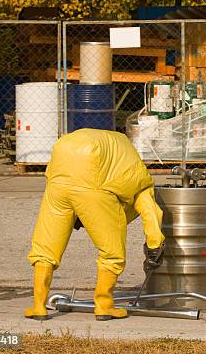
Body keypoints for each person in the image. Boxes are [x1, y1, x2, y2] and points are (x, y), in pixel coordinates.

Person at [24, 128, 165, 321]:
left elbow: (53, 175)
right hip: (94, 185)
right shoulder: (136, 175)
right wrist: (155, 244)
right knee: (111, 251)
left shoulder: (110, 147)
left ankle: (38, 306)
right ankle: (104, 305)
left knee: (45, 247)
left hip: (58, 181)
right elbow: (149, 209)